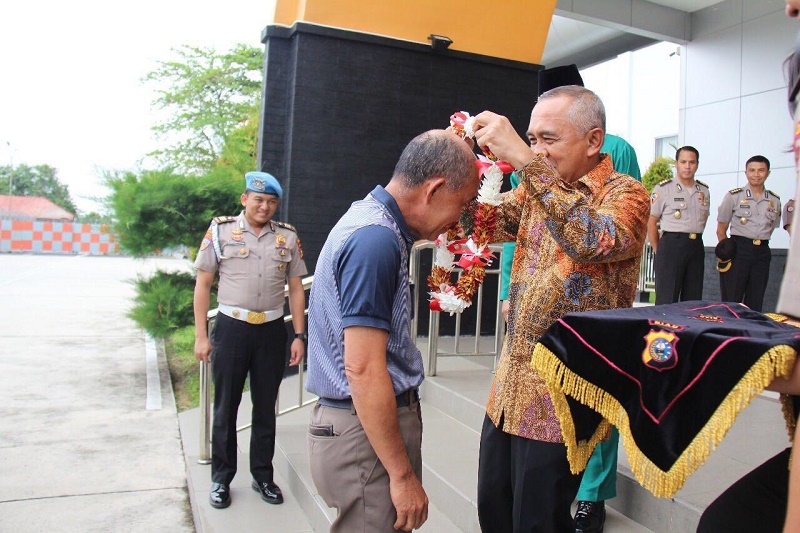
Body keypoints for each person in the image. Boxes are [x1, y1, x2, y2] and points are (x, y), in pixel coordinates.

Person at [471, 85, 650, 532]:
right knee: (493, 512)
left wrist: (531, 166)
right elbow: (481, 223)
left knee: (538, 522)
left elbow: (589, 239)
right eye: (531, 139)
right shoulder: (535, 189)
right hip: (510, 390)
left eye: (547, 139)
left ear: (594, 141)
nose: (536, 150)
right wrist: (454, 162)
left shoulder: (625, 195)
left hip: (562, 400)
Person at [305, 130, 480, 533]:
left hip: (357, 432)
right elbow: (363, 369)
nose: (461, 218)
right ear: (434, 190)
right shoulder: (376, 240)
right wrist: (401, 477)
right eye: (464, 203)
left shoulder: (370, 222)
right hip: (362, 438)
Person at [697, 3, 800, 531]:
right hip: (737, 245)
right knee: (737, 303)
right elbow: (722, 226)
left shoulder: (779, 199)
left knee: (758, 304)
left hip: (764, 250)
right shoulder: (735, 197)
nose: (787, 7)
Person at [193, 171, 308, 509]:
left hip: (272, 331)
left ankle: (262, 476)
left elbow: (297, 289)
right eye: (259, 200)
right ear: (245, 199)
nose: (265, 207)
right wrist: (201, 336)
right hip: (232, 329)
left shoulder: (287, 237)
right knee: (226, 406)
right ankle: (221, 479)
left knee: (265, 409)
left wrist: (298, 335)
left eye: (272, 202)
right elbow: (202, 284)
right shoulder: (221, 231)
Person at [716, 155, 781, 312]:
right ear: (746, 173)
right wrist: (727, 253)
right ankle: (728, 333)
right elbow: (721, 229)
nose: (756, 174)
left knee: (755, 300)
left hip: (762, 252)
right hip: (739, 251)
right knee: (732, 300)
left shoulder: (774, 200)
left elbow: (771, 227)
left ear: (768, 173)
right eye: (752, 170)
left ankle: (749, 334)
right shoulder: (734, 196)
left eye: (761, 170)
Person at [648, 146, 710, 305]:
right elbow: (652, 221)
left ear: (697, 164)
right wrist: (658, 249)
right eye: (683, 162)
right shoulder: (664, 188)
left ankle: (688, 330)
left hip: (696, 245)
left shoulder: (703, 191)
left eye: (692, 162)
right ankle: (662, 329)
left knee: (693, 299)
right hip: (671, 245)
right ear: (676, 164)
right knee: (667, 298)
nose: (687, 166)